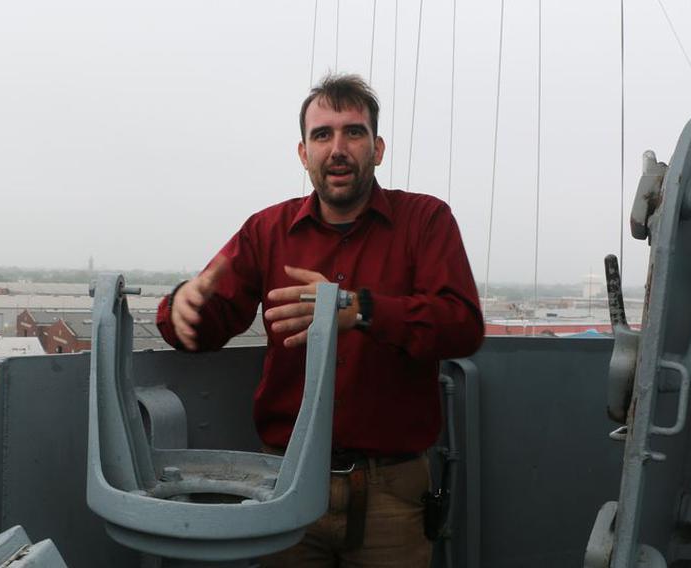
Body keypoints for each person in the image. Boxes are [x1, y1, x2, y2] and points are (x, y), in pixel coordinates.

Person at [156, 73, 483, 567]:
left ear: (378, 148)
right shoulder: (266, 231)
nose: (338, 147)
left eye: (353, 132)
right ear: (303, 152)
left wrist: (362, 309)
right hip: (287, 483)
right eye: (322, 134)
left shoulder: (426, 221)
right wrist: (182, 308)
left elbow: (461, 324)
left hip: (392, 492)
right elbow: (206, 323)